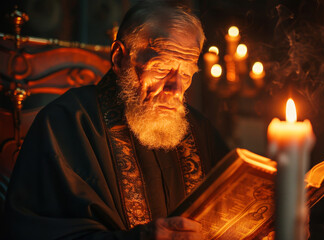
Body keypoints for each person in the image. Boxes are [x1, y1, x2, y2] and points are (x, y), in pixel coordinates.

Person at [2, 1, 229, 239]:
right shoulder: (65, 123)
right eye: (161, 69)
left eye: (185, 73)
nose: (176, 89)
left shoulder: (200, 131)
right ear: (120, 58)